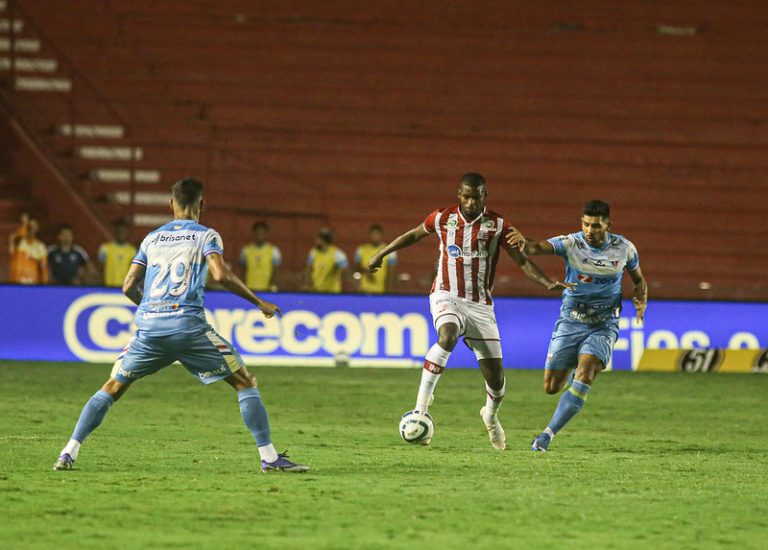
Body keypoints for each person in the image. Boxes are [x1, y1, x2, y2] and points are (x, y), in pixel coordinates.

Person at [53, 178, 308, 473]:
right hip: (188, 327)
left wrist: (153, 310)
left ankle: (68, 451)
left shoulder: (151, 239)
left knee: (112, 387)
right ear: (201, 204)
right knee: (245, 382)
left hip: (149, 328)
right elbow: (220, 275)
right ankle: (269, 457)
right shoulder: (206, 235)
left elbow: (127, 286)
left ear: (171, 204)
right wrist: (259, 302)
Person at [368, 172, 569, 450]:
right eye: (467, 195)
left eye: (477, 196)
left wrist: (547, 282)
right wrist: (381, 254)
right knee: (447, 336)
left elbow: (522, 261)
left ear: (485, 196)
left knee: (496, 380)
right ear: (458, 194)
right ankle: (420, 409)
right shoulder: (442, 218)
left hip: (480, 306)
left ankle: (490, 414)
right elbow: (413, 234)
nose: (472, 201)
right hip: (446, 295)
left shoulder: (497, 225)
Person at [507, 199, 647, 451]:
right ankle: (575, 363)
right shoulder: (572, 243)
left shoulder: (624, 248)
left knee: (585, 374)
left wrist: (641, 298)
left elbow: (639, 279)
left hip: (604, 323)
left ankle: (547, 435)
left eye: (596, 226)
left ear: (608, 225)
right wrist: (522, 241)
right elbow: (536, 247)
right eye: (586, 225)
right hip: (571, 319)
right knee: (551, 387)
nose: (590, 231)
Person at [239, 221, 281, 291]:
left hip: (267, 289)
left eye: (262, 233)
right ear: (254, 233)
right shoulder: (245, 250)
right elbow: (242, 270)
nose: (260, 235)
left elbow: (276, 271)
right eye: (257, 233)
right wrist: (243, 286)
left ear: (266, 234)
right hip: (249, 288)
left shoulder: (274, 251)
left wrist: (273, 286)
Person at [354, 224, 396, 294]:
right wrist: (366, 271)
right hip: (364, 289)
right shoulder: (361, 250)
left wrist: (389, 289)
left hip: (380, 290)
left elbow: (391, 271)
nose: (375, 237)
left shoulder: (389, 250)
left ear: (381, 235)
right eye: (373, 234)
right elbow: (356, 268)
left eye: (377, 234)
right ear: (370, 235)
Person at [305, 228, 348, 293]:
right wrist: (308, 283)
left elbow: (346, 270)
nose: (315, 241)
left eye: (318, 239)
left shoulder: (337, 254)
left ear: (323, 240)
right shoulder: (313, 252)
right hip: (316, 290)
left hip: (332, 292)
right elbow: (308, 268)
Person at [8, 216, 48, 285]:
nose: (31, 228)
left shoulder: (40, 246)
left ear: (37, 228)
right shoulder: (18, 242)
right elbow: (14, 237)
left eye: (34, 226)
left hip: (33, 283)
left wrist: (44, 285)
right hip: (17, 283)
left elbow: (43, 267)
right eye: (29, 226)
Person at [98, 219, 137, 287]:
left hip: (125, 288)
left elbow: (134, 272)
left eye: (124, 232)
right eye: (120, 231)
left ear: (127, 233)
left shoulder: (133, 251)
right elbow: (101, 270)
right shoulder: (105, 248)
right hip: (108, 287)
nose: (122, 234)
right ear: (115, 232)